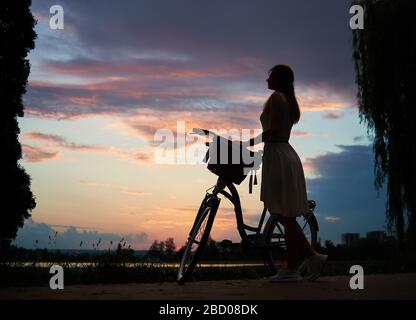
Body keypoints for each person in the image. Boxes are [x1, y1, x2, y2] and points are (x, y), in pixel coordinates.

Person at [242, 65, 327, 282]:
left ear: (278, 79)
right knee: (284, 214)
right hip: (281, 153)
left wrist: (248, 143)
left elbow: (274, 129)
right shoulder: (286, 99)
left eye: (269, 76)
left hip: (278, 154)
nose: (266, 80)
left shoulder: (277, 98)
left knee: (285, 214)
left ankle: (292, 268)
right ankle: (309, 258)